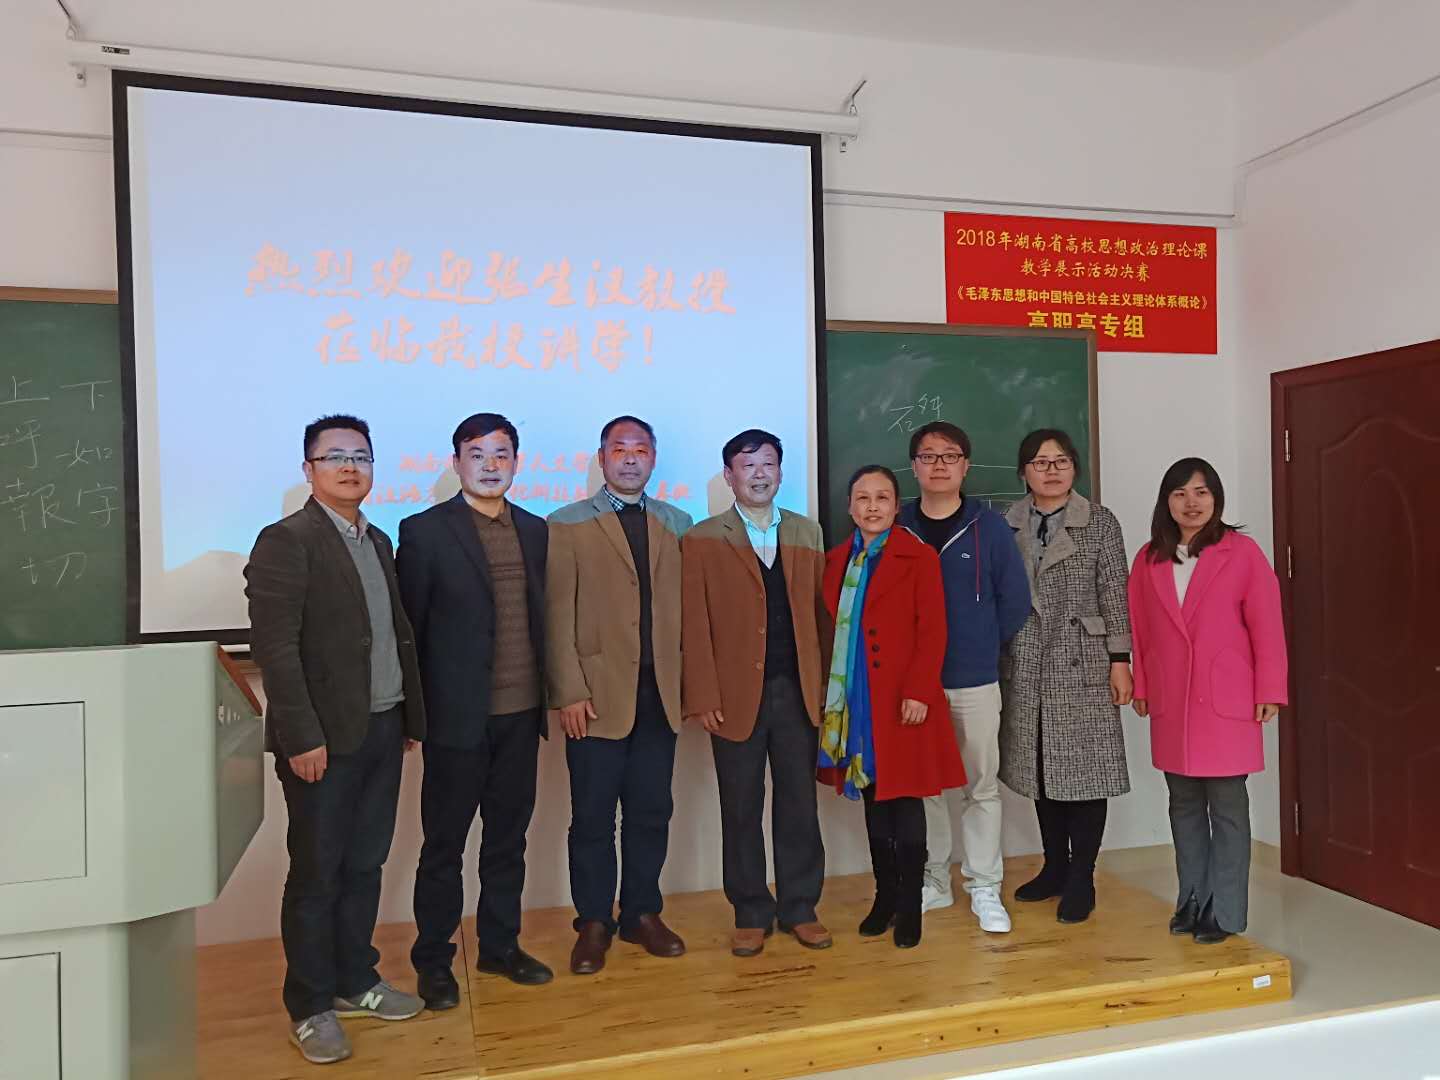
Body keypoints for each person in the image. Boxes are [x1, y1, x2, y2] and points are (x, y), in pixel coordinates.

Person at [245, 415, 426, 1066]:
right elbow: (275, 649)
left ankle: (355, 980)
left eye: (361, 456)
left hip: (382, 727)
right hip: (320, 739)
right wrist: (300, 735)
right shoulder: (286, 541)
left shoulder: (376, 539)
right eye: (335, 456)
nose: (351, 467)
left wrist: (407, 718)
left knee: (364, 865)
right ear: (309, 470)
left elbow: (391, 634)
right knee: (317, 875)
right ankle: (310, 1003)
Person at [398, 413, 552, 1010]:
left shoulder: (536, 530)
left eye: (501, 454)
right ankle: (434, 961)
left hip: (521, 715)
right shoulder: (424, 531)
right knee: (444, 846)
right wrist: (414, 719)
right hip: (455, 721)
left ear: (516, 462)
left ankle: (500, 947)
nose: (491, 466)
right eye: (477, 454)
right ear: (456, 462)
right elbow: (410, 632)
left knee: (507, 842)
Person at [546, 415, 693, 975]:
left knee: (652, 811)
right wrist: (568, 690)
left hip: (660, 695)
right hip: (595, 697)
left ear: (653, 458)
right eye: (619, 449)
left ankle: (641, 913)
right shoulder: (566, 525)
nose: (630, 458)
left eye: (640, 449)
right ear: (601, 458)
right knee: (592, 817)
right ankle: (592, 922)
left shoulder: (676, 523)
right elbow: (556, 616)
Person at [682, 429, 831, 957]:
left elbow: (822, 616)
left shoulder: (807, 532)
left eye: (768, 463)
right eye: (748, 466)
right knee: (740, 807)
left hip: (797, 692)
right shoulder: (702, 538)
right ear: (730, 476)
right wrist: (702, 694)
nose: (759, 474)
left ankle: (800, 907)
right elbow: (693, 623)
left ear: (781, 472)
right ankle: (749, 910)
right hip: (732, 697)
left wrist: (825, 688)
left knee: (799, 804)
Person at [1128, 458, 1287, 944]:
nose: (1191, 503)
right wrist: (1143, 685)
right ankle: (1192, 899)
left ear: (1216, 498)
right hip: (1172, 698)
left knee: (1228, 808)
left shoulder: (1242, 553)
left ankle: (1227, 911)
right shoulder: (1149, 558)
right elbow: (1140, 629)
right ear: (1166, 501)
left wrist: (1270, 689)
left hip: (1228, 698)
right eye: (1180, 493)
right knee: (1183, 805)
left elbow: (1267, 624)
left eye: (1201, 492)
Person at [818, 465, 967, 949]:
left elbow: (934, 629)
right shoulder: (836, 560)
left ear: (896, 506)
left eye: (882, 497)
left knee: (905, 800)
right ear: (849, 506)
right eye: (863, 498)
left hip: (903, 699)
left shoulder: (917, 556)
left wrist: (919, 690)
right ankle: (884, 897)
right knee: (873, 799)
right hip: (855, 698)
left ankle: (909, 906)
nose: (872, 506)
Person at [898, 421, 1030, 933]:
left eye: (949, 456)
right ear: (914, 467)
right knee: (926, 789)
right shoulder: (897, 526)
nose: (939, 465)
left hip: (974, 679)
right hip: (915, 685)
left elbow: (1014, 601)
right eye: (928, 456)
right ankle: (935, 880)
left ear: (965, 466)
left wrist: (979, 643)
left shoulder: (989, 527)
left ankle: (984, 886)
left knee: (981, 786)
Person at [1000, 429, 1132, 925]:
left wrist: (1120, 659)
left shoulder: (1099, 521)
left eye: (1060, 461)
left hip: (1084, 659)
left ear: (1075, 467)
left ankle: (1083, 876)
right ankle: (1054, 866)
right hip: (1026, 657)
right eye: (1040, 462)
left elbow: (1115, 592)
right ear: (1024, 471)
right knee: (1040, 767)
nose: (1051, 470)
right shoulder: (1006, 523)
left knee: (1085, 771)